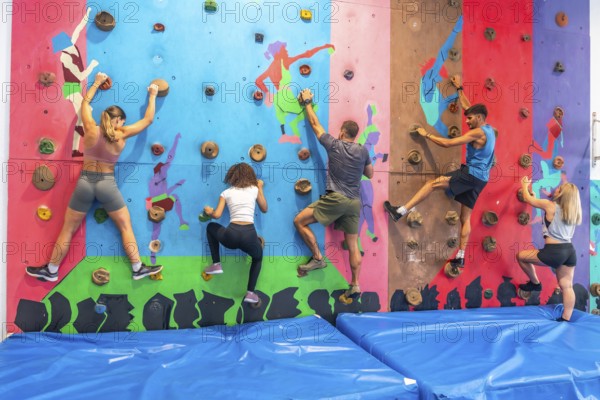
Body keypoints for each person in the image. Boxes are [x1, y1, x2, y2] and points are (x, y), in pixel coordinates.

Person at [26, 72, 163, 281]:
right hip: (106, 184)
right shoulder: (121, 133)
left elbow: (85, 103)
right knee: (125, 226)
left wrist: (97, 82)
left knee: (68, 228)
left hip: (85, 182)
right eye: (122, 120)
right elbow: (149, 119)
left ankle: (51, 270)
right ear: (118, 120)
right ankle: (137, 268)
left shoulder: (90, 128)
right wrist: (153, 94)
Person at [384, 77, 495, 270]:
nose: (466, 121)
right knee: (465, 218)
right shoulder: (489, 129)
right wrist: (460, 87)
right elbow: (468, 107)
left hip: (470, 174)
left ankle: (400, 211)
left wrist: (425, 134)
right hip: (481, 180)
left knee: (432, 184)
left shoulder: (477, 133)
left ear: (478, 118)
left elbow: (448, 143)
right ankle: (460, 256)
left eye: (469, 118)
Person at [293, 88, 373, 302]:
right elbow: (370, 174)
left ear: (341, 132)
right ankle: (355, 284)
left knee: (299, 221)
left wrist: (307, 102)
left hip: (336, 198)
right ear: (355, 135)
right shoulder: (363, 151)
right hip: (354, 202)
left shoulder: (335, 145)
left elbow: (315, 126)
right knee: (353, 245)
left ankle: (318, 258)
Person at [517, 176, 582, 322]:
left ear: (562, 194)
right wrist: (534, 197)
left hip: (554, 251)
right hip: (569, 252)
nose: (556, 188)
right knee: (567, 285)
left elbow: (528, 199)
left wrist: (525, 185)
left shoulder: (550, 205)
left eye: (559, 188)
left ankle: (535, 283)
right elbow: (541, 207)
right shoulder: (571, 212)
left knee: (521, 256)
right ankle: (566, 317)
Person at [202, 163, 268, 304]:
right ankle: (250, 292)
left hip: (231, 235)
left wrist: (209, 212)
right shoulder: (254, 189)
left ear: (232, 176)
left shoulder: (226, 193)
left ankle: (216, 264)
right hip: (249, 235)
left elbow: (217, 215)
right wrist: (260, 188)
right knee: (257, 258)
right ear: (250, 176)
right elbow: (264, 208)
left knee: (210, 227)